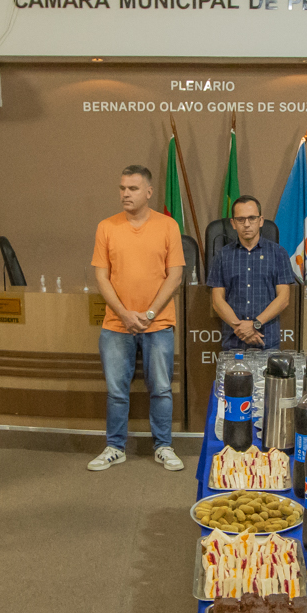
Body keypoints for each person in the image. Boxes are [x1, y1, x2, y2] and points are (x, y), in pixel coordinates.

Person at [88, 166, 186, 472]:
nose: (125, 194)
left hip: (158, 324)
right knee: (116, 391)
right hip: (117, 325)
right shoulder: (107, 227)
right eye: (121, 188)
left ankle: (163, 446)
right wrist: (124, 314)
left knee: (161, 389)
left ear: (148, 192)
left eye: (132, 189)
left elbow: (176, 274)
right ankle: (115, 447)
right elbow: (102, 277)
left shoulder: (168, 226)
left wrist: (150, 313)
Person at [206, 195, 292, 352]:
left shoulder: (279, 253)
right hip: (233, 343)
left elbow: (284, 298)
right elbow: (217, 301)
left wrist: (255, 324)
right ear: (233, 223)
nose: (246, 224)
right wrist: (241, 329)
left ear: (261, 221)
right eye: (240, 219)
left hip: (267, 343)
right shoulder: (222, 255)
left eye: (252, 218)